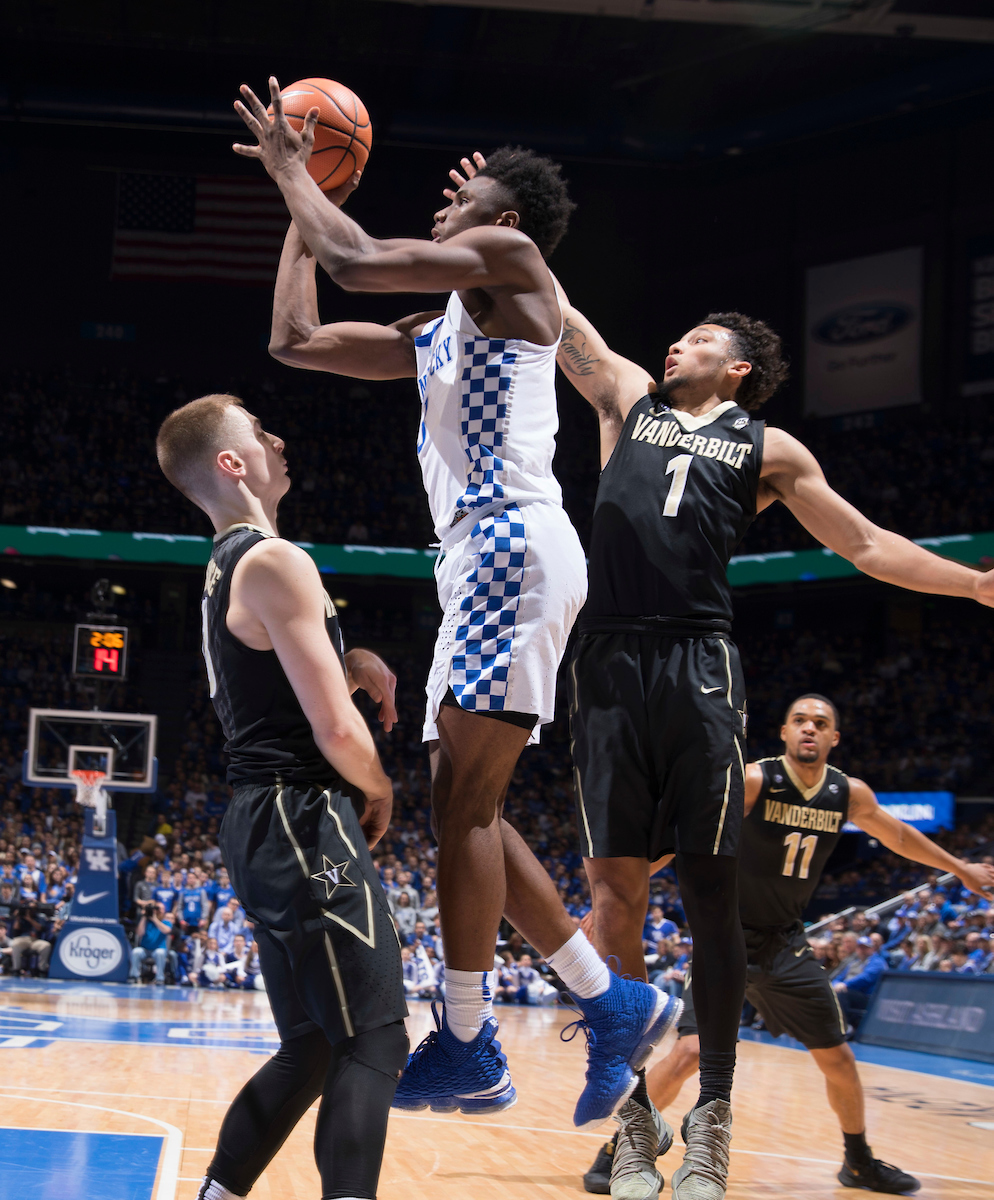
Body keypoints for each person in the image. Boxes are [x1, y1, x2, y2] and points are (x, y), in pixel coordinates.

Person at [234, 80, 681, 1127]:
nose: (444, 203)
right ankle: (608, 1002)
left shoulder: (519, 269)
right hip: (474, 562)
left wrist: (305, 170)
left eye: (463, 193)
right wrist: (293, 201)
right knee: (459, 806)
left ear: (506, 222)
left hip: (512, 543)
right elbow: (295, 337)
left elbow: (355, 255)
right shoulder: (440, 327)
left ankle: (473, 1039)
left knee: (464, 810)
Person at [513, 281, 994, 1197]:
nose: (673, 346)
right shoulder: (624, 397)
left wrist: (971, 587)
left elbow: (866, 544)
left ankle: (712, 1119)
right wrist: (499, 225)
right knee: (613, 888)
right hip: (606, 658)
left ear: (734, 366)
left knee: (705, 882)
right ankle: (629, 1123)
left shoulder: (770, 447)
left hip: (697, 655)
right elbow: (556, 305)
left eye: (694, 338)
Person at [585, 695, 994, 1197]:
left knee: (839, 1058)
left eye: (820, 724)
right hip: (725, 937)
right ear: (783, 732)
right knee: (690, 1050)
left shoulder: (848, 793)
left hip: (786, 944)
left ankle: (859, 1162)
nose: (809, 729)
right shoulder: (758, 780)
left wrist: (960, 869)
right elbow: (685, 836)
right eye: (800, 721)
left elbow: (900, 836)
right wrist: (612, 901)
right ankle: (622, 1146)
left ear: (833, 738)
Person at [156, 391, 409, 1200]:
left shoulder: (231, 564)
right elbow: (336, 732)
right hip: (301, 813)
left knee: (312, 1046)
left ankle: (217, 1195)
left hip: (262, 819)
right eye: (262, 432)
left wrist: (351, 658)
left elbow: (272, 675)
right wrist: (380, 784)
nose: (280, 436)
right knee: (373, 1037)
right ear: (233, 464)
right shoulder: (274, 559)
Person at [129, 900, 175, 985]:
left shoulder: (166, 922)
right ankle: (134, 976)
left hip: (158, 949)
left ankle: (159, 978)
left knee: (160, 953)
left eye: (159, 909)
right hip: (145, 950)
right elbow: (139, 933)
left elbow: (166, 931)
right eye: (156, 909)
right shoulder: (146, 922)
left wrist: (155, 919)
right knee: (136, 951)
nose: (157, 911)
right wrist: (144, 917)